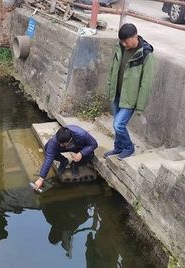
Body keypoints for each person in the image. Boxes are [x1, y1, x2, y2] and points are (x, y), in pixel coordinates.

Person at [104, 23, 154, 159]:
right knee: (116, 124)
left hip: (130, 98)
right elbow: (113, 69)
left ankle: (129, 147)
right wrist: (110, 88)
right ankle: (118, 147)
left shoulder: (145, 54)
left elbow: (146, 83)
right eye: (122, 41)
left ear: (135, 37)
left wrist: (140, 106)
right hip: (117, 94)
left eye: (126, 41)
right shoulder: (120, 48)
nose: (124, 44)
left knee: (119, 125)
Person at [34, 125, 98, 191]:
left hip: (77, 147)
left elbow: (93, 144)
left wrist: (81, 153)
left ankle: (75, 164)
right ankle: (63, 161)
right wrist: (41, 179)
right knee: (48, 149)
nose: (61, 145)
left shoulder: (81, 134)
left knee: (90, 154)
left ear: (70, 139)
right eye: (60, 143)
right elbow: (49, 158)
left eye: (63, 143)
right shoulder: (55, 141)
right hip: (65, 147)